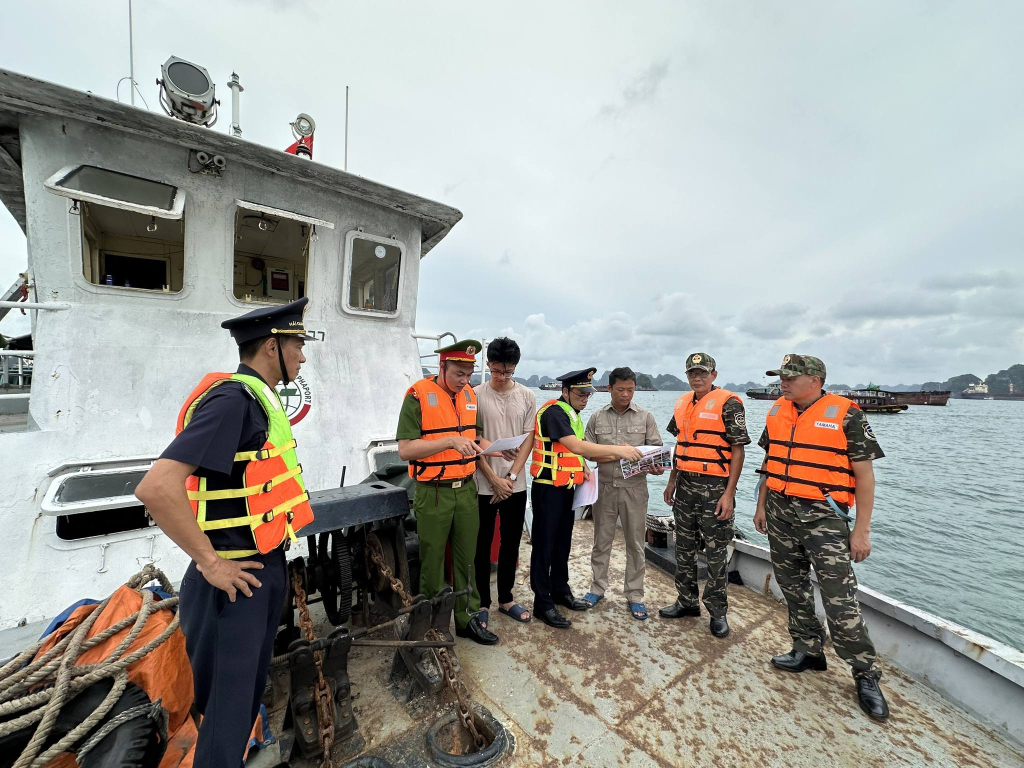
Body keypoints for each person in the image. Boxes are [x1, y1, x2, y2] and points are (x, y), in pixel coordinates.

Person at [135, 297, 317, 768]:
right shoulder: (233, 399)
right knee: (225, 721)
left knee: (242, 707)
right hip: (231, 586)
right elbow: (157, 487)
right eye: (297, 343)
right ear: (272, 347)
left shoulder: (259, 400)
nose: (302, 354)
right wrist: (211, 563)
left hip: (260, 570)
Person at [753, 354, 890, 721]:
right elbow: (770, 461)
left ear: (814, 380)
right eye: (781, 376)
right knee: (792, 584)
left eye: (790, 378)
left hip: (824, 518)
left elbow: (864, 476)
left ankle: (865, 673)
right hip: (781, 511)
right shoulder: (777, 411)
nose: (783, 383)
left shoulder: (847, 414)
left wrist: (862, 529)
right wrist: (761, 505)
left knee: (838, 597)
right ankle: (808, 649)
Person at [396, 340, 499, 645]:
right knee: (432, 561)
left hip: (466, 490)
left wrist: (494, 450)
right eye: (458, 373)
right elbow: (405, 450)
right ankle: (430, 623)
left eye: (468, 373)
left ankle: (467, 619)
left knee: (468, 558)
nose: (464, 380)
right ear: (442, 367)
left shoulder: (469, 395)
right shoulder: (417, 396)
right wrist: (449, 441)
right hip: (434, 491)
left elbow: (474, 437)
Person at [529, 368, 644, 629]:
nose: (585, 398)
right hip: (548, 488)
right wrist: (620, 450)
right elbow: (578, 446)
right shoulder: (555, 412)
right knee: (544, 546)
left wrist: (584, 466)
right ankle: (543, 603)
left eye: (588, 394)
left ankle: (560, 590)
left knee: (562, 544)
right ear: (565, 391)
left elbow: (576, 454)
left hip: (566, 488)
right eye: (580, 393)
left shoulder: (573, 415)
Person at [658, 353, 749, 639]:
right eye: (691, 373)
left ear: (714, 375)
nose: (696, 377)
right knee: (683, 547)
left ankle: (717, 611)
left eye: (702, 373)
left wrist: (729, 493)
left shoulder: (729, 402)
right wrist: (672, 481)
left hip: (715, 486)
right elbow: (680, 443)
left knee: (715, 552)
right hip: (685, 483)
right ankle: (686, 602)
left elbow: (738, 450)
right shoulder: (682, 402)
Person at [582, 367, 664, 620]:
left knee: (636, 544)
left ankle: (635, 594)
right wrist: (617, 451)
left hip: (635, 490)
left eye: (630, 389)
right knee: (601, 541)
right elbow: (586, 451)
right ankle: (597, 588)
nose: (626, 394)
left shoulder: (646, 417)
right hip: (605, 487)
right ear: (609, 389)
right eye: (620, 389)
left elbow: (658, 454)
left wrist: (657, 466)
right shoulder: (597, 417)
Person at [473, 337, 537, 625]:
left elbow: (528, 440)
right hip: (482, 483)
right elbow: (472, 440)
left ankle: (506, 598)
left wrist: (510, 478)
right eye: (496, 371)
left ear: (515, 368)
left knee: (511, 543)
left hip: (515, 485)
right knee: (481, 544)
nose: (501, 377)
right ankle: (482, 602)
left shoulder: (526, 396)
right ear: (488, 365)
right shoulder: (474, 394)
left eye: (507, 372)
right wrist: (493, 479)